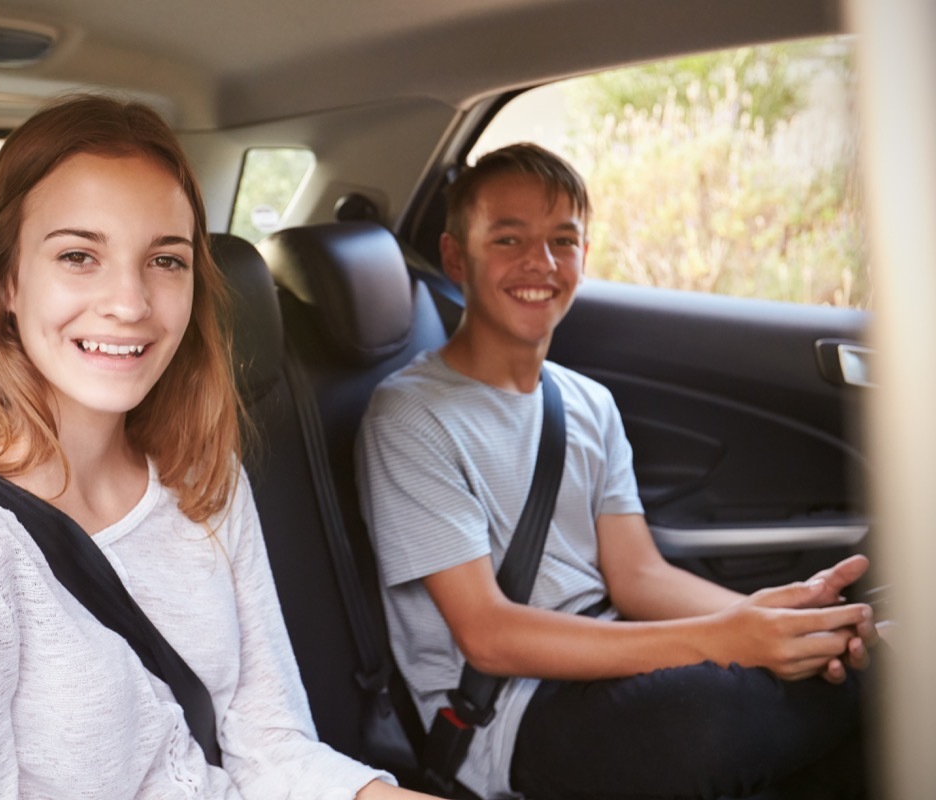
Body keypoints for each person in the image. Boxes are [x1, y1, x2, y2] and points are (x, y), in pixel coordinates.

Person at [0, 94, 435, 800]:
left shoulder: (204, 478)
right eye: (79, 256)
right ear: (4, 283)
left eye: (166, 261)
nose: (130, 302)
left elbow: (268, 744)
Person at [355, 142, 879, 800]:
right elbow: (488, 635)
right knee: (720, 717)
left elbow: (638, 575)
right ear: (456, 257)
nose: (540, 263)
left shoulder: (585, 401)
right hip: (508, 715)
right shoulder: (410, 417)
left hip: (612, 656)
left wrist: (775, 622)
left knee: (845, 674)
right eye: (509, 239)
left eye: (562, 240)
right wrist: (727, 640)